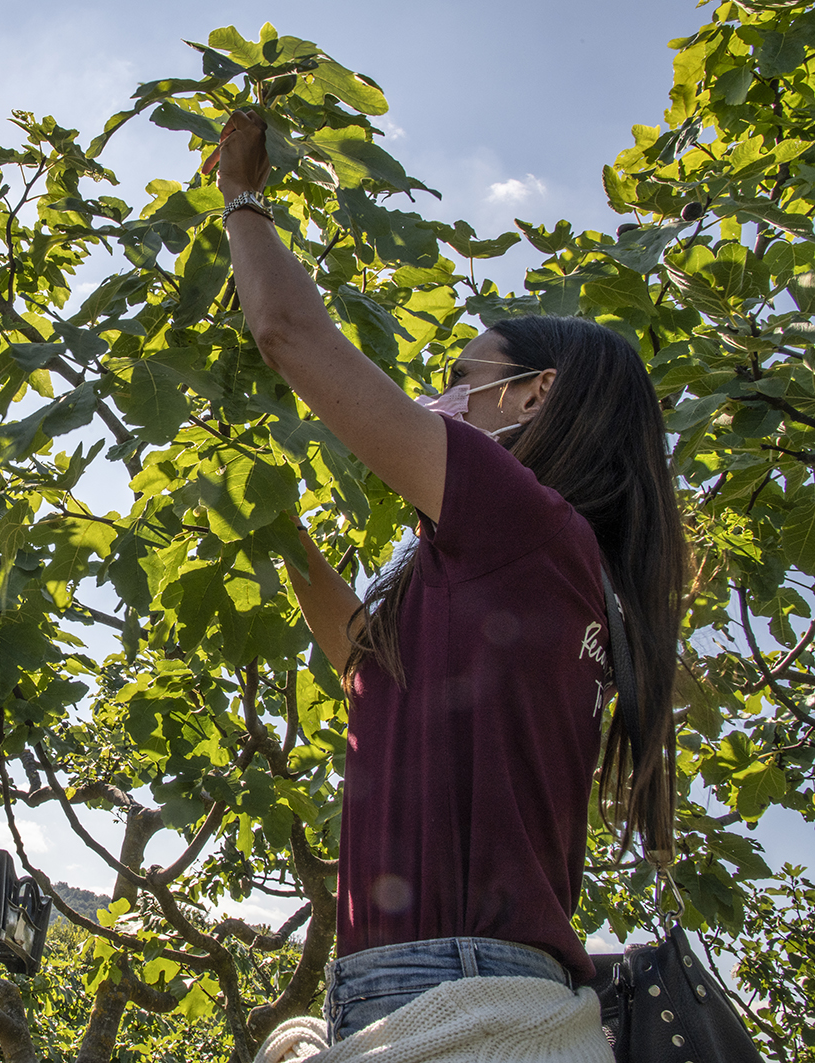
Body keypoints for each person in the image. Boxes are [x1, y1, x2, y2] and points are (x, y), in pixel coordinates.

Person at [215, 112, 686, 1048]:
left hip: (451, 990)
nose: (434, 402)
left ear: (533, 394)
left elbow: (287, 332)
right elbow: (360, 653)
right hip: (440, 985)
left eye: (457, 376)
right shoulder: (536, 571)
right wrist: (262, 512)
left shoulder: (525, 520)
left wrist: (240, 198)